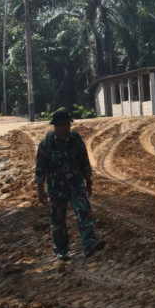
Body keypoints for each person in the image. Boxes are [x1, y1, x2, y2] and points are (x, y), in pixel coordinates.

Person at [35, 109, 106, 261]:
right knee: (57, 219)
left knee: (83, 210)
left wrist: (89, 180)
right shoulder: (47, 144)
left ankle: (89, 243)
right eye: (62, 124)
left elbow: (84, 160)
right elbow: (40, 167)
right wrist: (40, 189)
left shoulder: (75, 140)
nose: (66, 127)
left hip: (76, 184)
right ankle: (61, 249)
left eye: (67, 123)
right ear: (55, 126)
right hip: (56, 188)